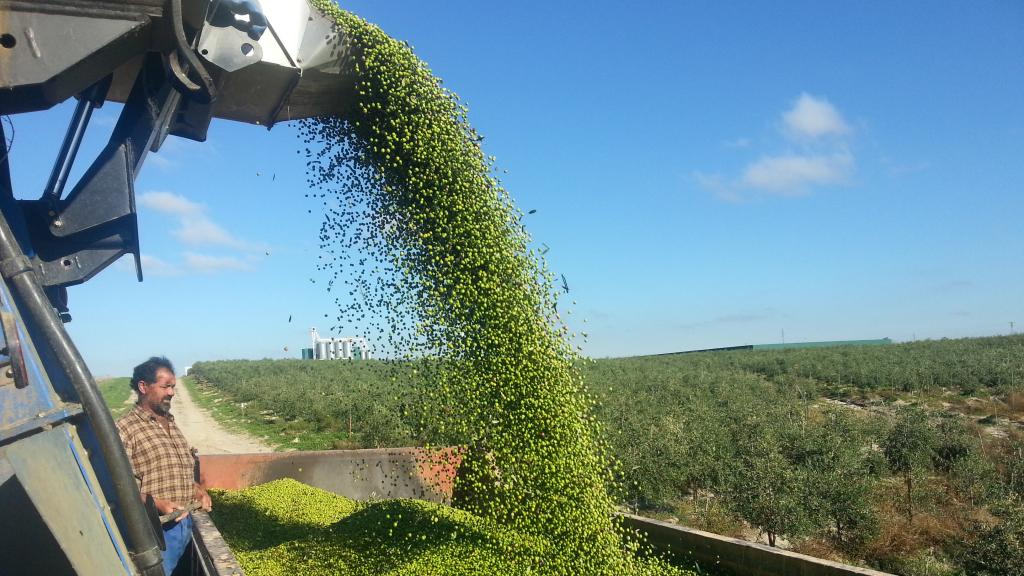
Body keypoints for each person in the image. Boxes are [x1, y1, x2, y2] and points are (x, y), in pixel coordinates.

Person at [116, 356, 212, 575]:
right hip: (156, 532)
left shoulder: (170, 422)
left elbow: (180, 470)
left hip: (184, 524)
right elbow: (119, 486)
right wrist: (156, 503)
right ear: (143, 387)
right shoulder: (125, 429)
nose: (171, 393)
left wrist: (198, 490)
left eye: (173, 387)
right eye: (165, 387)